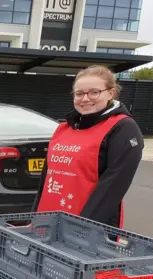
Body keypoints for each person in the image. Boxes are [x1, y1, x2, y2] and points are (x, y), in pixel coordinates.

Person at [33, 65, 143, 228]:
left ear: (110, 93)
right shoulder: (63, 128)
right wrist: (33, 218)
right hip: (47, 222)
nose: (85, 99)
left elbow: (113, 187)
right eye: (79, 93)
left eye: (94, 92)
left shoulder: (122, 128)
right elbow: (45, 181)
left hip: (87, 230)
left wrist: (79, 229)